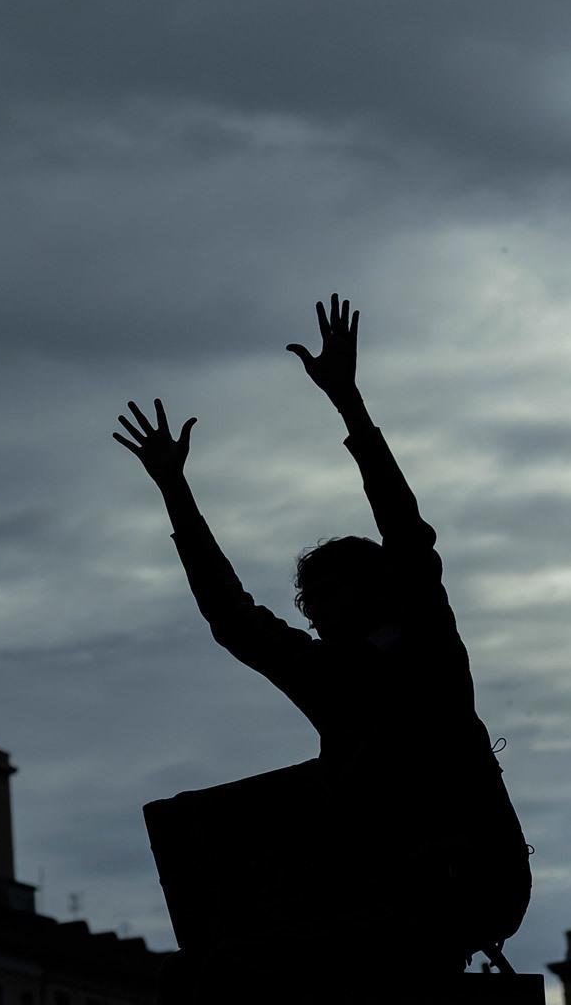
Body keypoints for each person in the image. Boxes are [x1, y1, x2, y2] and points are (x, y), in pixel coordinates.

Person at [113, 295, 529, 991]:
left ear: (377, 589)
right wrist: (175, 491)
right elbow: (233, 617)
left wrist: (351, 406)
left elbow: (406, 529)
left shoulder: (427, 643)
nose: (319, 609)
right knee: (223, 963)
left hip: (466, 877)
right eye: (313, 599)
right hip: (385, 885)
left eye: (334, 591)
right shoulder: (323, 673)